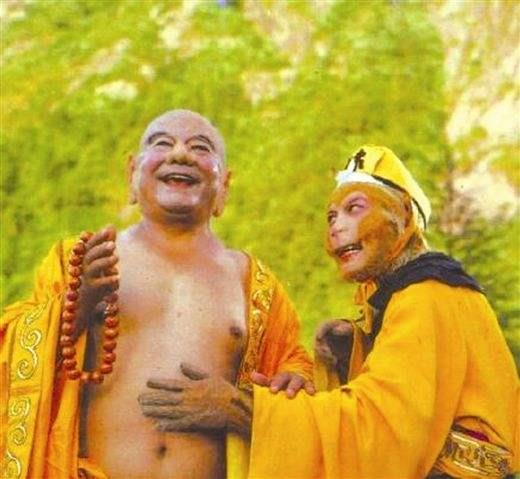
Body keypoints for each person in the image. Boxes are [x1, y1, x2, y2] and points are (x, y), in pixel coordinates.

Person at [151, 145, 518, 478]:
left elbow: (379, 432)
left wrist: (240, 408)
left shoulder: (426, 296)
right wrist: (351, 355)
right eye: (330, 216)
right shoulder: (423, 293)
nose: (336, 226)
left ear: (404, 215)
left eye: (354, 208)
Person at [0, 110, 313, 479]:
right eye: (162, 143)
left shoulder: (255, 285)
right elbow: (11, 359)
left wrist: (245, 405)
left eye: (201, 148)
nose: (180, 154)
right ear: (132, 174)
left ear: (224, 187)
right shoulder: (83, 261)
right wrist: (77, 305)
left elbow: (295, 380)